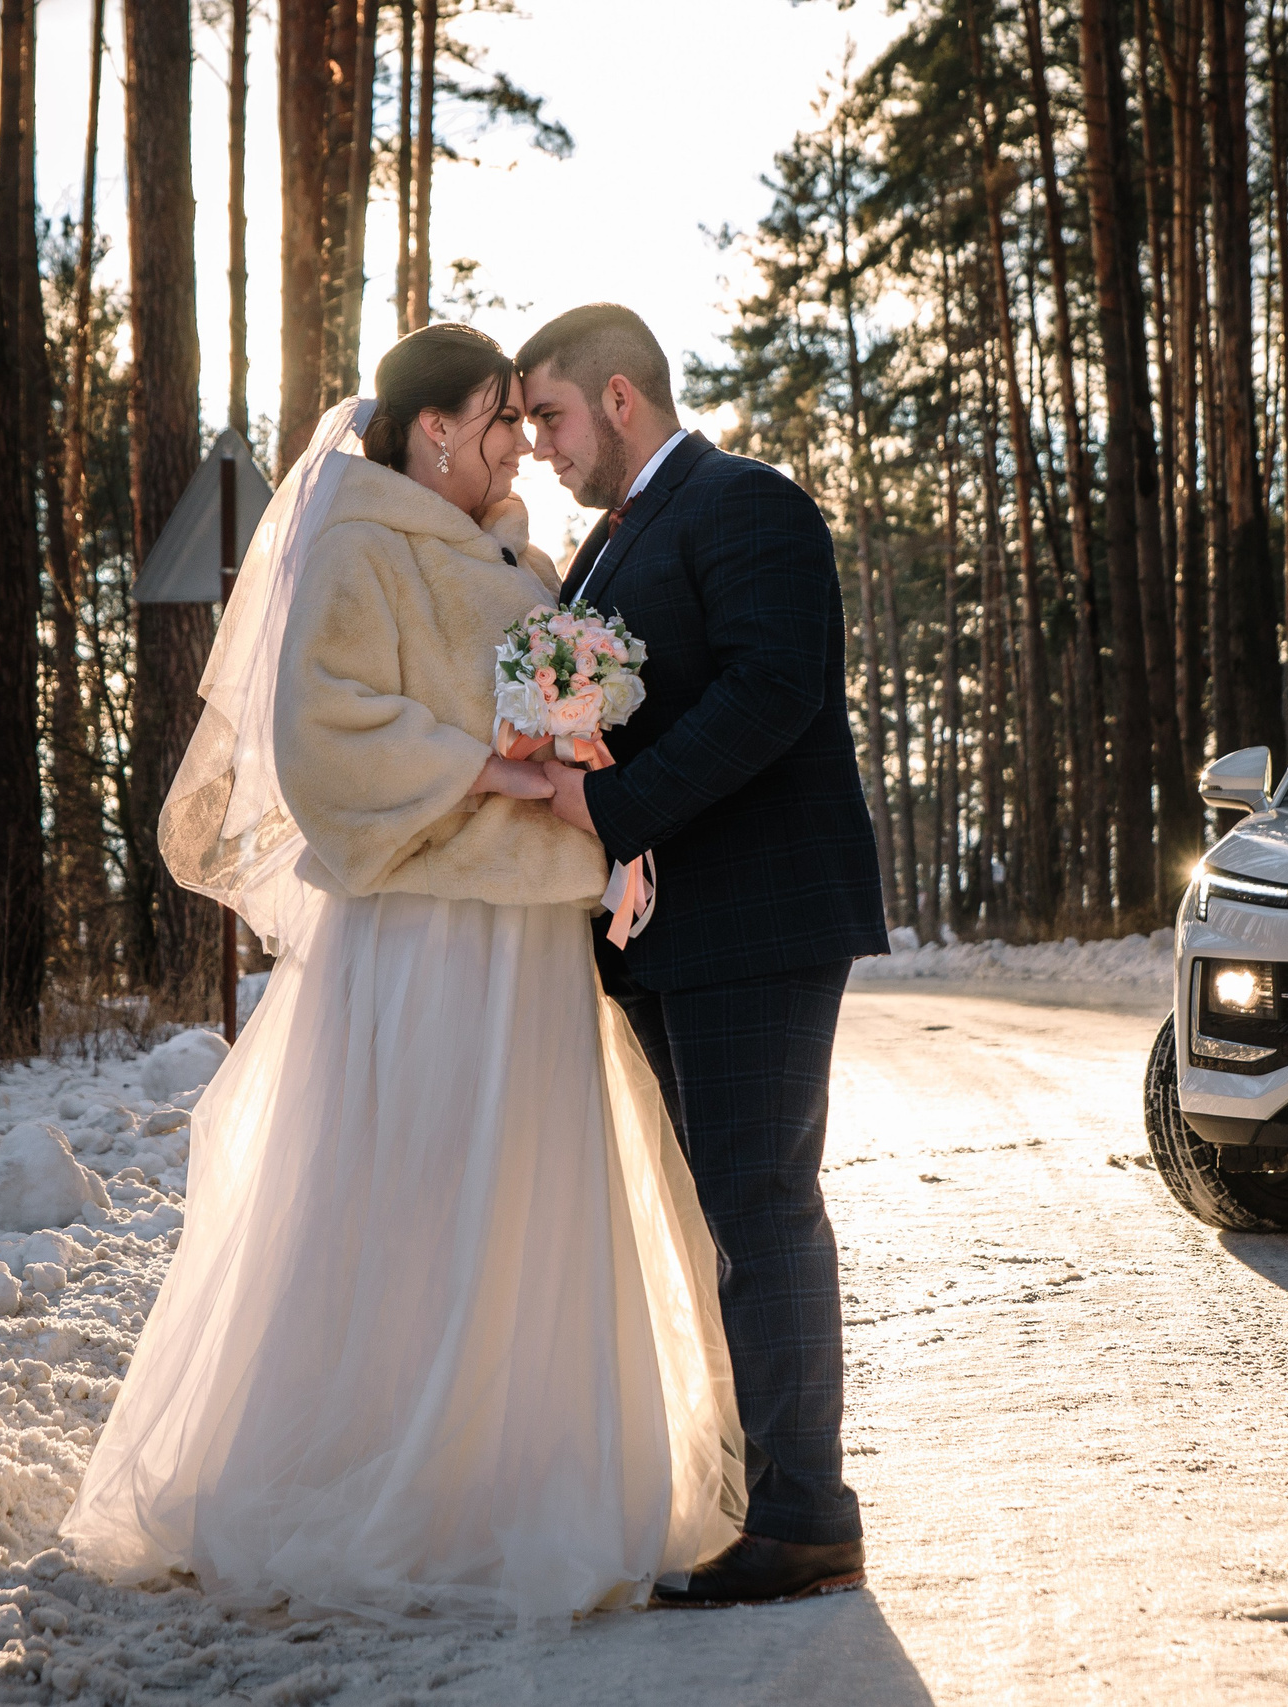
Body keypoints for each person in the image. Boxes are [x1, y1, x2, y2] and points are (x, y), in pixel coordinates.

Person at [57, 323, 743, 1623]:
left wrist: (586, 768)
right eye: (499, 420)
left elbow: (565, 719)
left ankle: (526, 1475)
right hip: (426, 933)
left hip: (532, 935)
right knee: (420, 1195)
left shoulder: (524, 560)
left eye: (525, 421)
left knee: (531, 1194)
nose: (519, 445)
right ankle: (382, 1476)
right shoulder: (356, 544)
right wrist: (486, 768)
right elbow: (325, 733)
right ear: (436, 430)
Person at [519, 303, 891, 1607]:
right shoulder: (606, 547)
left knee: (761, 1204)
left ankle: (804, 1516)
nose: (543, 446)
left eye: (553, 417)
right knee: (720, 1214)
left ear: (621, 397)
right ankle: (751, 1488)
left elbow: (771, 690)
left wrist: (612, 806)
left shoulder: (748, 504)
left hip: (759, 920)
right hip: (664, 932)